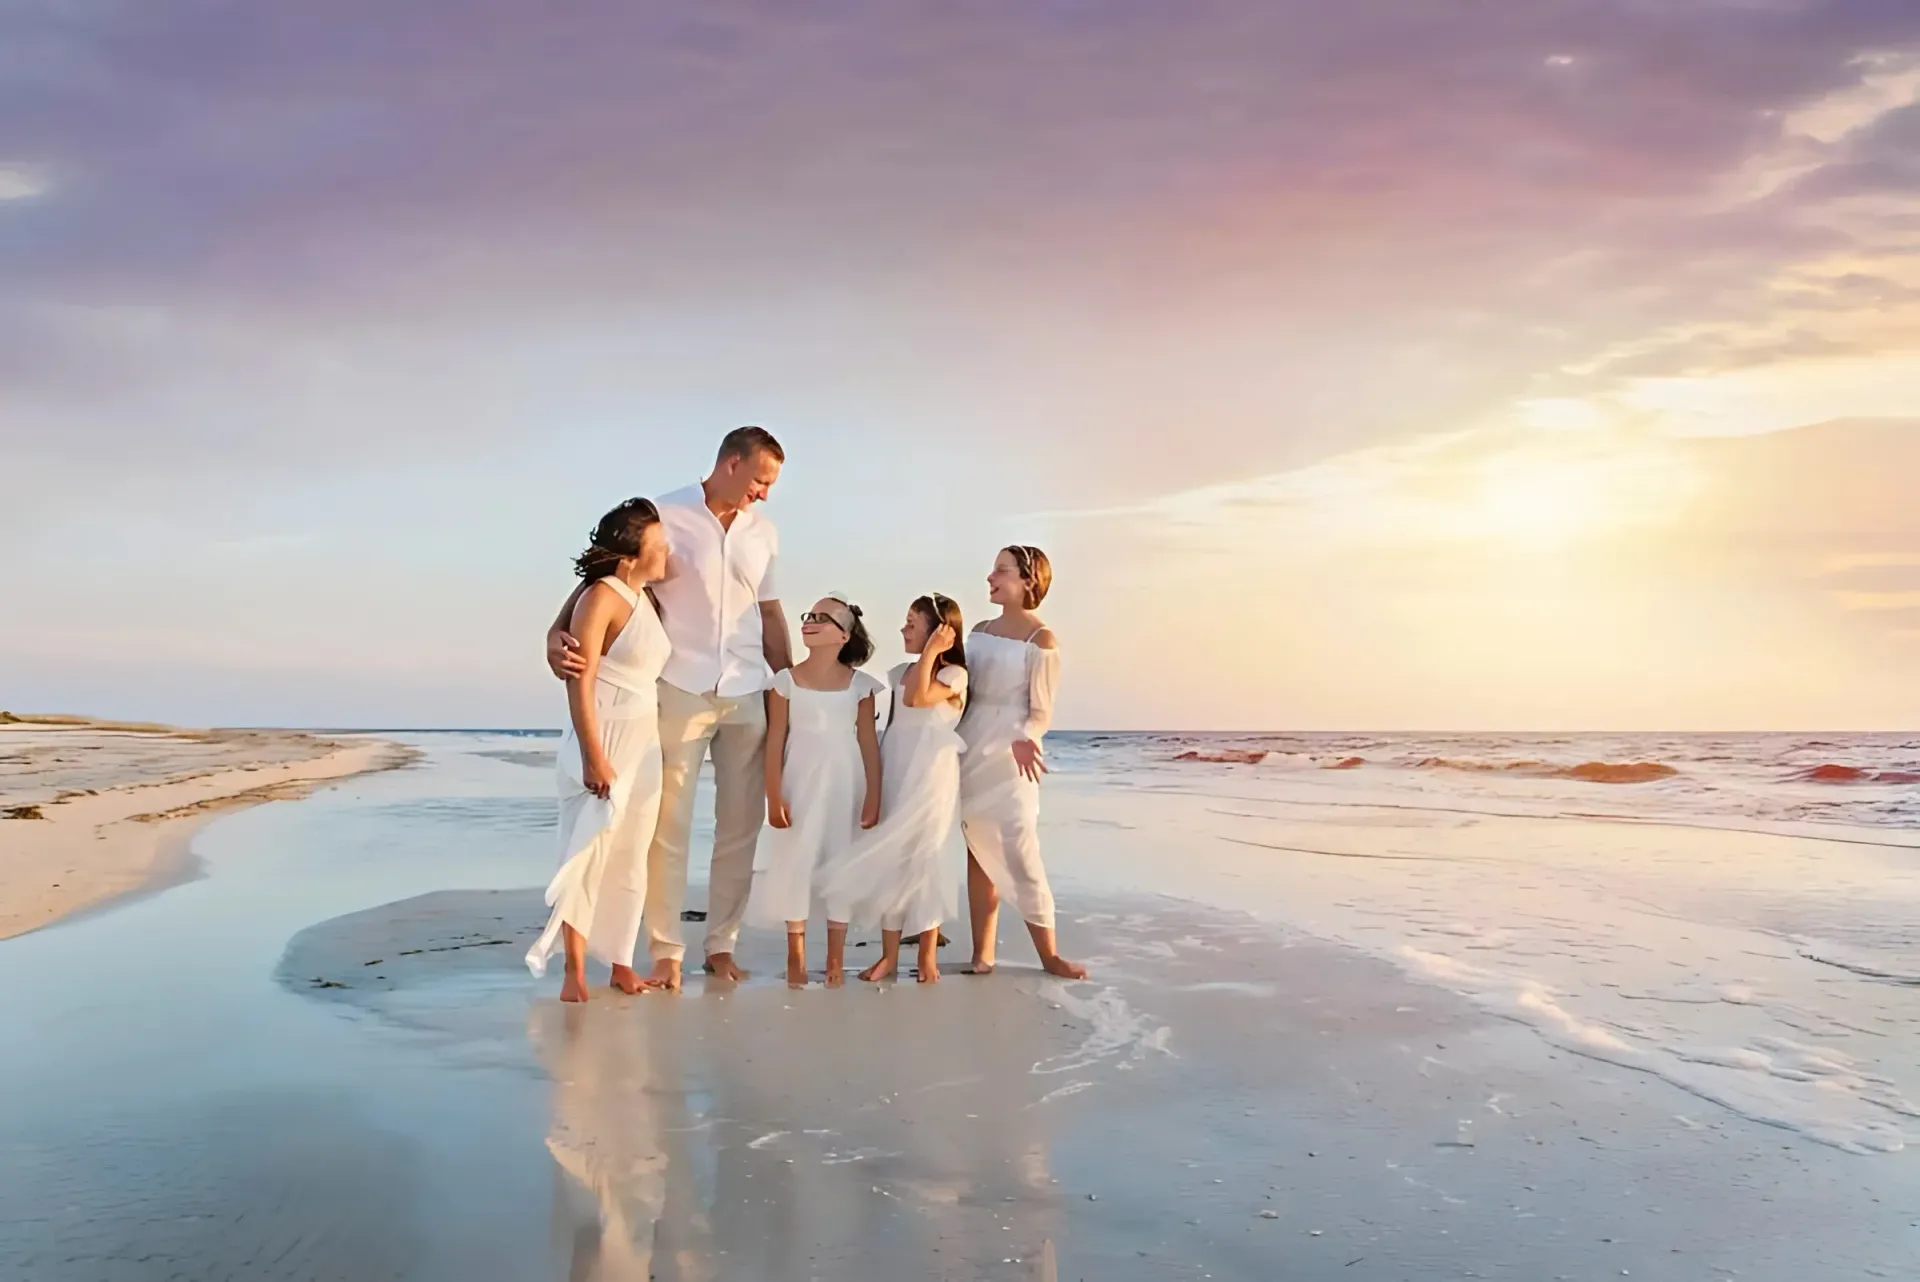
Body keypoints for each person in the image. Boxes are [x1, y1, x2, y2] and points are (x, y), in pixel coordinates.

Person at [546, 427, 792, 989]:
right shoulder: (663, 514)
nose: (764, 493)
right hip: (679, 687)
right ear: (731, 463)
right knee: (667, 828)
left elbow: (772, 614)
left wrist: (787, 691)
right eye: (760, 480)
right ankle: (667, 950)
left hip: (747, 690)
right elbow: (600, 579)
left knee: (739, 829)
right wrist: (554, 634)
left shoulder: (765, 532)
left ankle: (722, 946)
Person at [526, 498, 673, 1002]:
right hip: (604, 735)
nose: (668, 551)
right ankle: (573, 973)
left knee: (632, 854)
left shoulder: (642, 595)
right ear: (631, 556)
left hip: (643, 741)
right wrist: (593, 755)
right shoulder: (603, 595)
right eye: (659, 544)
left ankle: (621, 962)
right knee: (589, 849)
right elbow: (579, 680)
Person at [821, 593, 968, 985]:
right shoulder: (899, 671)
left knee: (925, 859)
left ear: (938, 631)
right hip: (896, 767)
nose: (903, 629)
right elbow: (899, 709)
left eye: (912, 623)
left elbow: (918, 697)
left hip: (931, 774)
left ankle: (926, 956)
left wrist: (933, 653)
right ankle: (888, 956)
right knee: (892, 861)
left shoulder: (953, 676)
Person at [957, 546, 1087, 979]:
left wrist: (1027, 739)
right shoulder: (978, 631)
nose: (990, 576)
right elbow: (962, 692)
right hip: (970, 745)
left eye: (1001, 570)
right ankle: (983, 954)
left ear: (1029, 581)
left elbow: (1041, 710)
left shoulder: (1041, 640)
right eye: (992, 568)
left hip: (1013, 753)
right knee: (977, 852)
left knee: (1020, 849)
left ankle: (1049, 954)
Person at [747, 595, 884, 988]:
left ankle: (836, 960)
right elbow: (775, 739)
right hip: (799, 779)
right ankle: (797, 957)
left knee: (840, 860)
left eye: (824, 619)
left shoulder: (860, 685)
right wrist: (774, 795)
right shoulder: (785, 681)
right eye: (809, 615)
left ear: (844, 634)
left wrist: (874, 795)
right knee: (795, 859)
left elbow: (868, 743)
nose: (810, 622)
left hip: (846, 782)